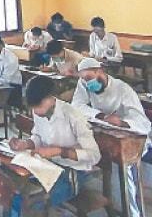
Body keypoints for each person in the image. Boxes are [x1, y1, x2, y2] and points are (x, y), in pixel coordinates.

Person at [71, 58, 151, 217]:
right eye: (83, 79)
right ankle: (107, 205)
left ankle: (134, 213)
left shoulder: (123, 90)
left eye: (89, 78)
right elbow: (77, 105)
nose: (87, 83)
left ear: (100, 71)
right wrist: (100, 115)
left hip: (130, 141)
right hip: (105, 134)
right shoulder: (85, 84)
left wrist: (121, 122)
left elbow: (143, 123)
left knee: (126, 172)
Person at [8, 76, 101, 209]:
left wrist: (59, 151)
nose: (36, 112)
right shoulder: (39, 111)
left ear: (50, 98)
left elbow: (94, 155)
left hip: (73, 172)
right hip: (49, 167)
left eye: (38, 106)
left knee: (32, 205)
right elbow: (38, 136)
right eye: (33, 108)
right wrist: (26, 144)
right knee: (14, 196)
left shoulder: (73, 116)